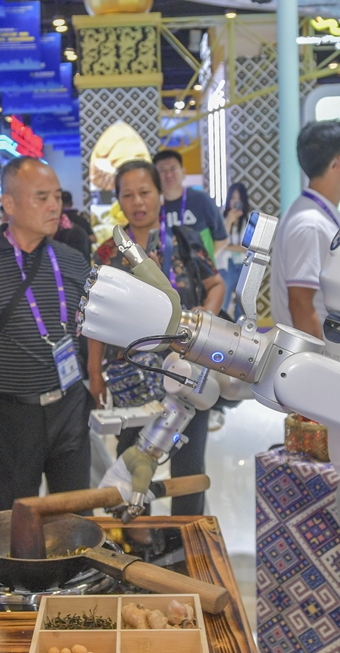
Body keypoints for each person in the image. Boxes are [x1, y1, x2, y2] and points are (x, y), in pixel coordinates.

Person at [0, 156, 93, 511]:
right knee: (19, 519)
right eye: (42, 197)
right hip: (9, 415)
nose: (54, 206)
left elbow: (91, 328)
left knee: (75, 516)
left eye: (57, 196)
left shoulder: (73, 260)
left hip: (70, 405)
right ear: (9, 204)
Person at [88, 161, 224, 515]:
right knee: (130, 453)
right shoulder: (107, 252)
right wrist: (93, 371)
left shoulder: (184, 239)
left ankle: (185, 533)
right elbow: (95, 317)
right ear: (119, 200)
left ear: (160, 194)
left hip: (186, 369)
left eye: (145, 192)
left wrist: (204, 321)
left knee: (188, 459)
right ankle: (135, 535)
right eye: (127, 195)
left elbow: (216, 284)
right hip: (130, 371)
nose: (137, 202)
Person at [270, 119, 340, 338]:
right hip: (319, 350)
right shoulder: (310, 224)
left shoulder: (315, 213)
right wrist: (315, 356)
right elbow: (301, 303)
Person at [153, 150, 228, 258]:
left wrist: (205, 263)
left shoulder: (201, 200)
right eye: (162, 170)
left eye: (173, 168)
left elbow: (221, 239)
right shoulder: (153, 206)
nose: (168, 174)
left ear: (183, 172)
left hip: (200, 267)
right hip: (164, 267)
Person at [217, 182, 252, 319]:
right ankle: (219, 328)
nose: (235, 202)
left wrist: (226, 246)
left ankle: (240, 330)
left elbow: (246, 248)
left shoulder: (248, 220)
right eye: (233, 198)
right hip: (226, 265)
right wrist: (229, 221)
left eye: (239, 199)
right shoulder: (221, 217)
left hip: (244, 265)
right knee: (222, 301)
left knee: (242, 305)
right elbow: (220, 239)